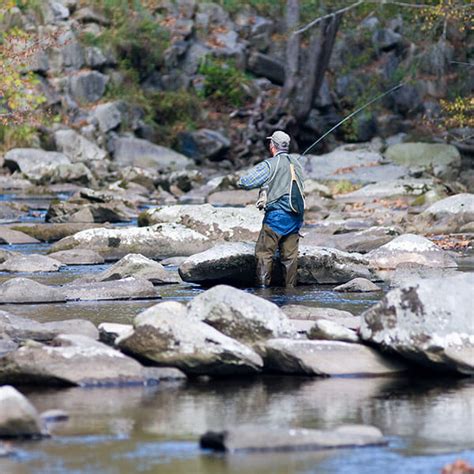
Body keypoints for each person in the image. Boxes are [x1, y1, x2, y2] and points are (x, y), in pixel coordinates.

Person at [238, 131, 305, 287]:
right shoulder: (297, 164)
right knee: (290, 258)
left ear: (272, 146)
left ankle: (263, 291)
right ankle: (290, 292)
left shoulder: (270, 164)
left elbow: (245, 182)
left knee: (264, 254)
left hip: (276, 217)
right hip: (296, 216)